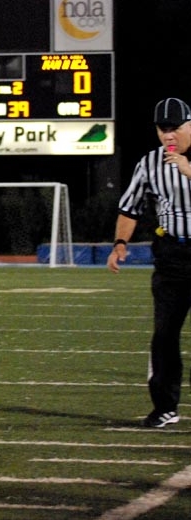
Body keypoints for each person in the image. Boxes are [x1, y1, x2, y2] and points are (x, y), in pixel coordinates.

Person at [108, 96, 191, 429]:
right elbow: (130, 207)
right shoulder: (150, 163)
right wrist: (120, 244)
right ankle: (165, 407)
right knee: (164, 335)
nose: (168, 135)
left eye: (176, 128)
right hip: (172, 257)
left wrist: (189, 170)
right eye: (162, 129)